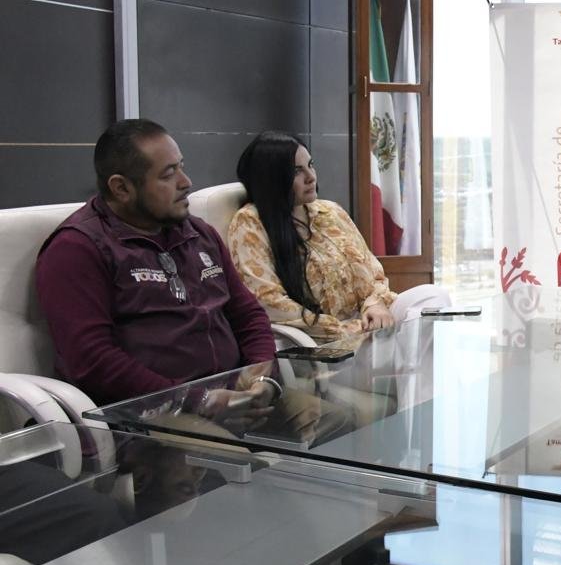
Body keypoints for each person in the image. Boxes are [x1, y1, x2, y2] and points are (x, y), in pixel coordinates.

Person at [35, 119, 352, 437]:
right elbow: (93, 361)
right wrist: (199, 400)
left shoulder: (198, 233)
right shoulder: (77, 248)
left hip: (234, 394)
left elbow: (248, 315)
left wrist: (261, 377)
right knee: (232, 459)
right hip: (147, 411)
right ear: (122, 188)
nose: (186, 182)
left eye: (181, 167)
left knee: (342, 424)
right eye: (168, 175)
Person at [227, 131, 449, 340]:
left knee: (433, 296)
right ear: (271, 178)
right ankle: (401, 356)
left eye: (310, 165)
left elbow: (372, 272)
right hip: (323, 339)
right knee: (407, 337)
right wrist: (346, 330)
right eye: (296, 171)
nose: (310, 177)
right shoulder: (250, 223)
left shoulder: (331, 211)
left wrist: (374, 304)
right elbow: (269, 302)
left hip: (368, 320)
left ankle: (403, 358)